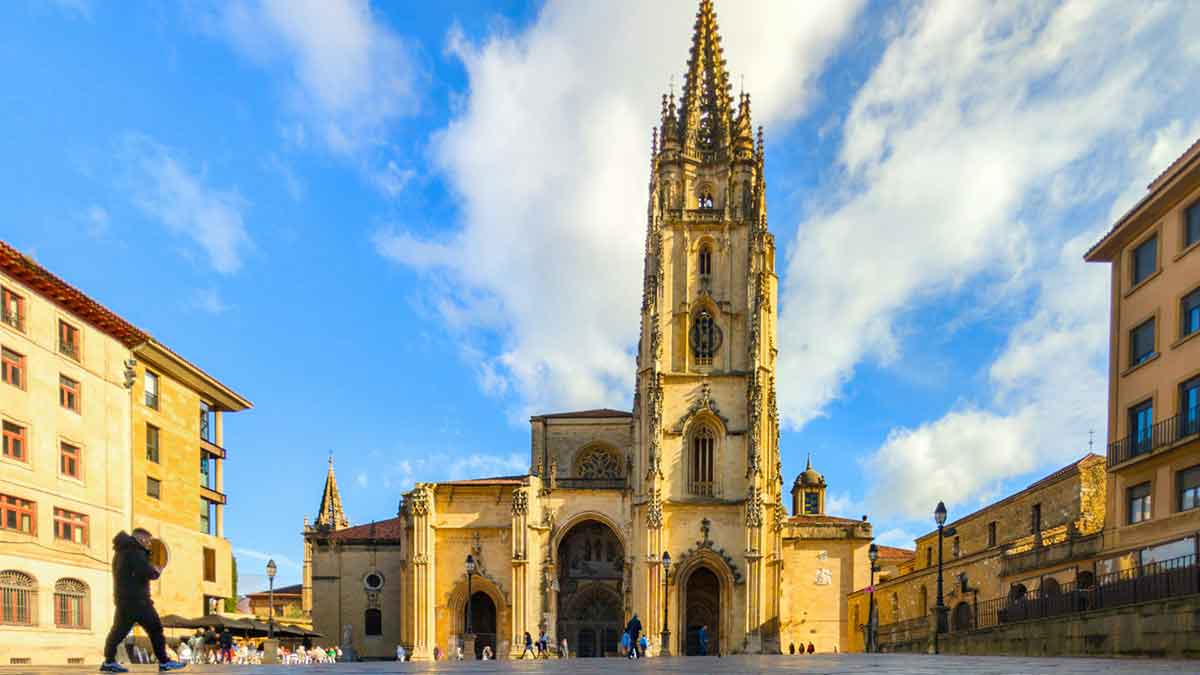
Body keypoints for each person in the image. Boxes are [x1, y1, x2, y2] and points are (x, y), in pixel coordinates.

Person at [100, 529, 187, 673]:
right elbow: (145, 571)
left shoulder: (121, 551)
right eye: (147, 540)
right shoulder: (135, 551)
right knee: (155, 629)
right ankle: (164, 662)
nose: (148, 544)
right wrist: (156, 571)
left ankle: (108, 661)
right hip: (138, 600)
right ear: (140, 538)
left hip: (124, 599)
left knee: (118, 632)